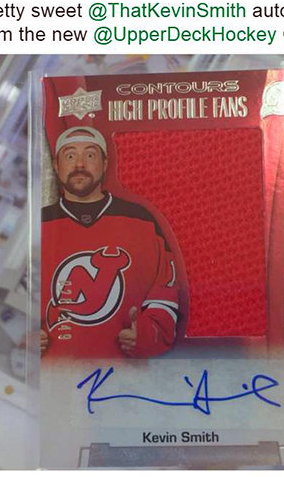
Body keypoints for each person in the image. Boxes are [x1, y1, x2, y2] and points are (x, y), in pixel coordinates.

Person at [40, 126, 180, 359]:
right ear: (56, 165)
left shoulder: (141, 220)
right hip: (55, 373)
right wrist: (24, 335)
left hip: (124, 374)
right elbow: (12, 301)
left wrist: (146, 334)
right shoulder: (38, 224)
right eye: (70, 156)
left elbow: (165, 293)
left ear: (105, 164)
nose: (80, 165)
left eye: (90, 155)